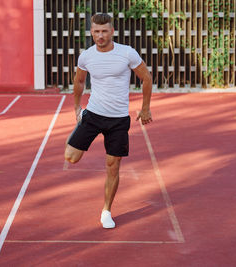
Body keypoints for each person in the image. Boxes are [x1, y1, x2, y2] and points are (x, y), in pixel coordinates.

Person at [64, 13, 153, 229]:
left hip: (119, 119)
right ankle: (81, 125)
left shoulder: (127, 53)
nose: (100, 35)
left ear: (112, 31)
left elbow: (146, 78)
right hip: (93, 114)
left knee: (112, 166)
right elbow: (79, 81)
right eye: (96, 31)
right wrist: (77, 106)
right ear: (92, 32)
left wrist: (145, 108)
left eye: (104, 31)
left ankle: (106, 211)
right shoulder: (86, 56)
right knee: (71, 157)